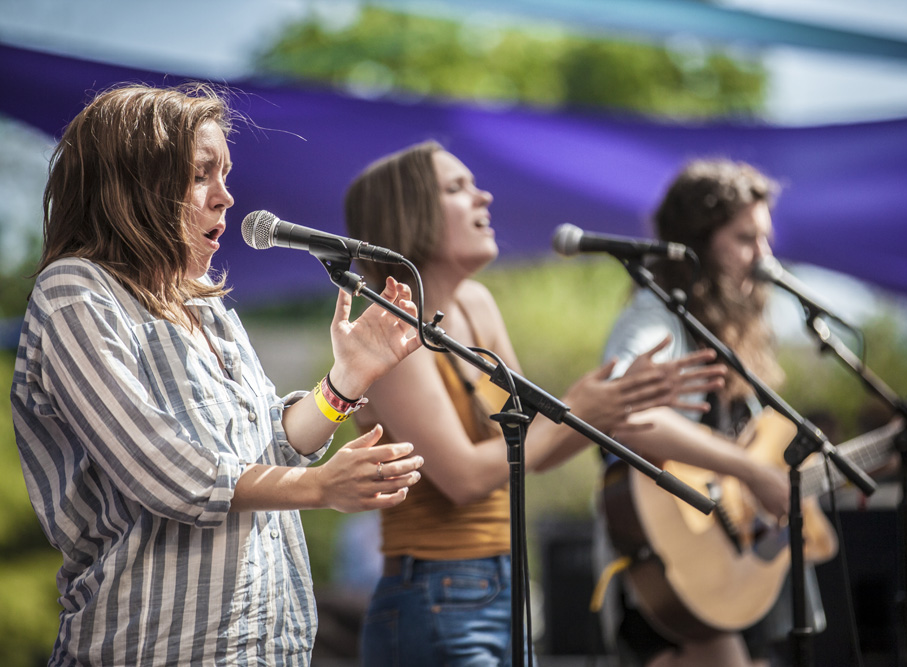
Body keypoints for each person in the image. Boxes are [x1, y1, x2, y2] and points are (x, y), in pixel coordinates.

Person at [9, 83, 425, 666]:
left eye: (225, 174)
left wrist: (344, 383)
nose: (226, 197)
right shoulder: (75, 292)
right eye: (203, 174)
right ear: (135, 183)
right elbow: (162, 469)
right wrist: (321, 488)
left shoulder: (208, 307)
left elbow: (272, 452)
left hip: (269, 646)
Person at [342, 140, 727, 666]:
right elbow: (464, 478)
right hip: (433, 592)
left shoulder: (477, 303)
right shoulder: (387, 325)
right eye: (458, 188)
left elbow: (531, 452)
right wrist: (579, 408)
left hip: (503, 582)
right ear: (408, 212)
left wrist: (610, 407)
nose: (484, 196)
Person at [594, 158, 817, 667]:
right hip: (675, 568)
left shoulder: (732, 332)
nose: (763, 258)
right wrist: (750, 470)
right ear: (695, 242)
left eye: (764, 239)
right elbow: (626, 416)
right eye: (744, 239)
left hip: (733, 565)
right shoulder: (655, 318)